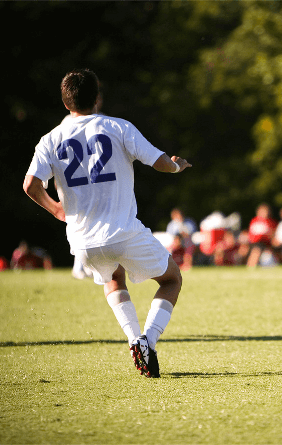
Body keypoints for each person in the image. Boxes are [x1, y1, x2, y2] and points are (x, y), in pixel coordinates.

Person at [23, 69, 192, 378]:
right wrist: (177, 166)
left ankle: (133, 339)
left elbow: (31, 185)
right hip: (123, 230)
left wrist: (57, 211)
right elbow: (161, 163)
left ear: (65, 103)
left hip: (82, 240)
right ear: (97, 97)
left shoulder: (50, 139)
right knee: (171, 279)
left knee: (114, 279)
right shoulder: (118, 127)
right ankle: (148, 342)